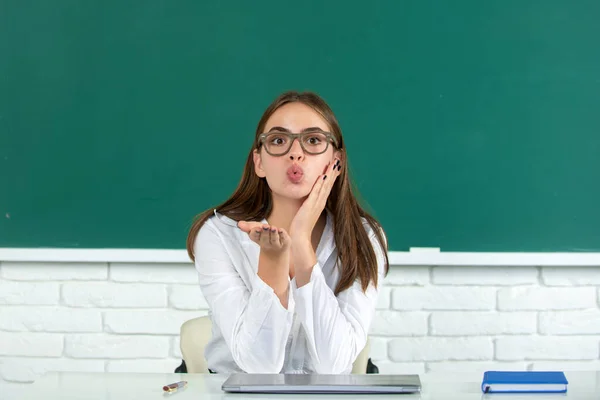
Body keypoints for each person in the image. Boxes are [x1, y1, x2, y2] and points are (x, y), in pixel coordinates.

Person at [186, 91, 389, 374]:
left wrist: (301, 243)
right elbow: (258, 366)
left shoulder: (363, 236)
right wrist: (272, 263)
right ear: (259, 162)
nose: (296, 153)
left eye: (314, 140)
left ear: (337, 162)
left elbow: (334, 364)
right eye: (279, 141)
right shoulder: (219, 234)